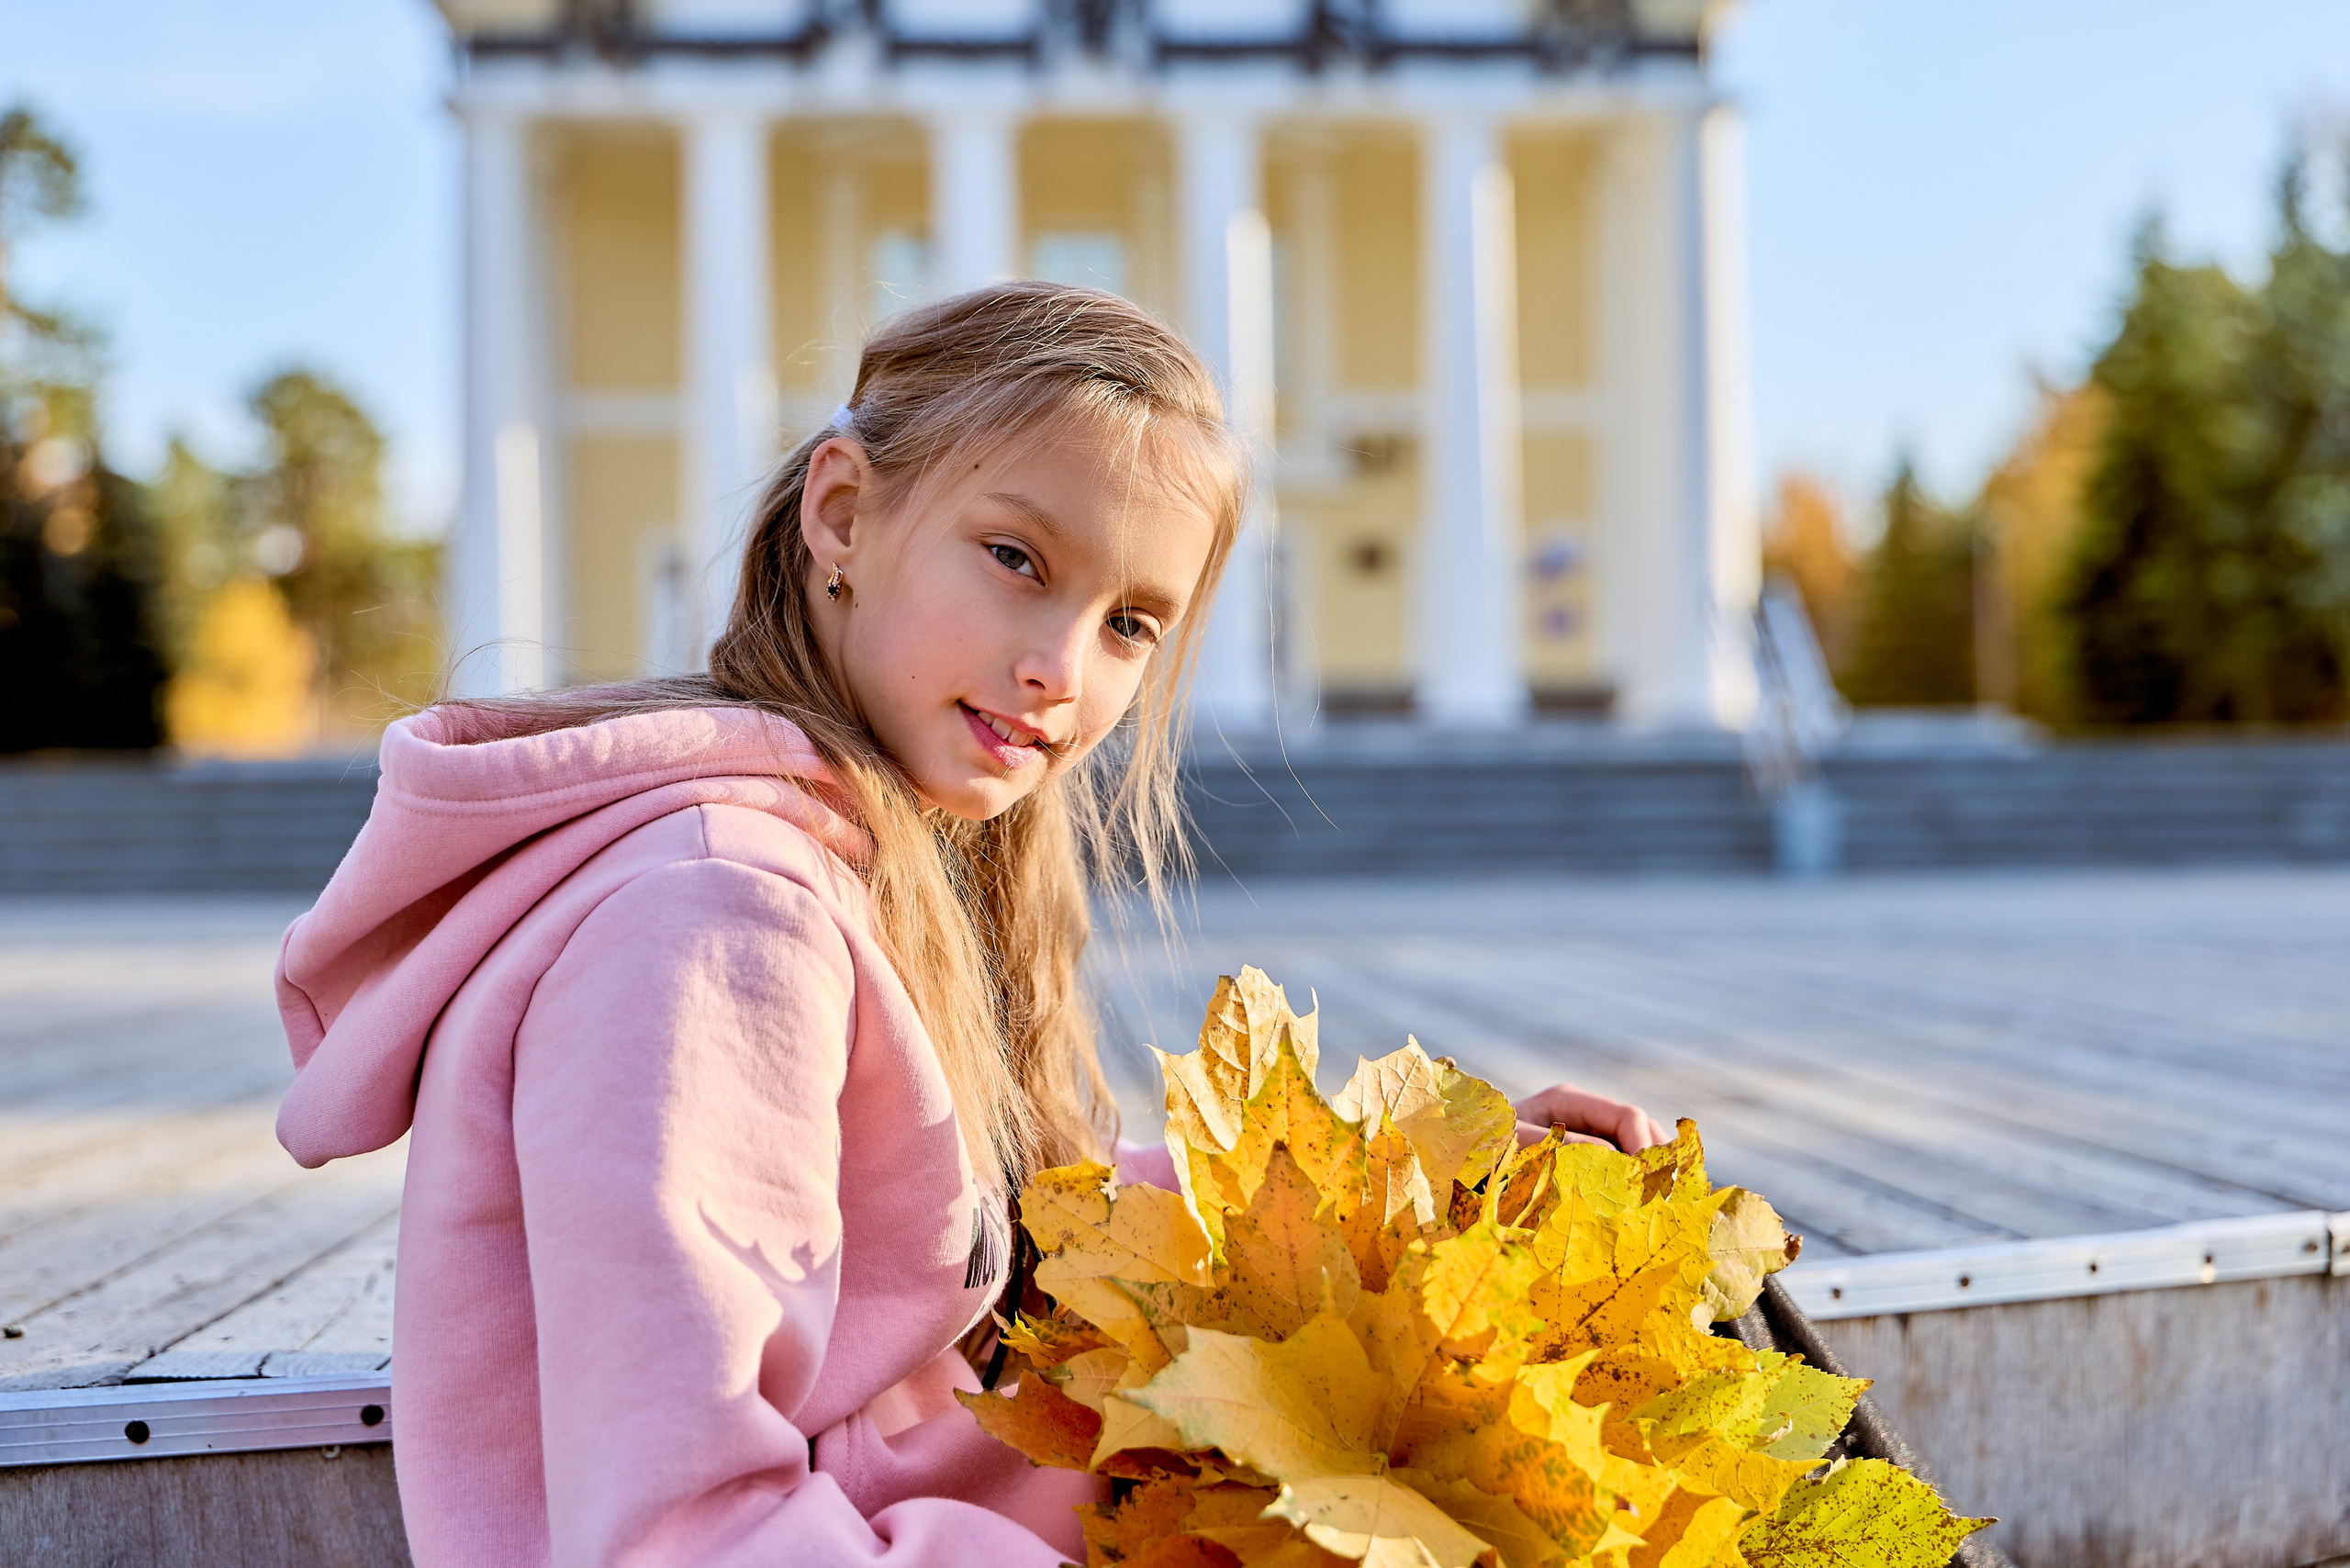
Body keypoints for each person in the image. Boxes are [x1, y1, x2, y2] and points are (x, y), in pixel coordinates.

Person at [273, 282, 1664, 1568]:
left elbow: (1032, 1212)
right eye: (1015, 557)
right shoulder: (711, 925)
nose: (1061, 665)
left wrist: (1413, 1199)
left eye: (1130, 625)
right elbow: (685, 1530)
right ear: (842, 517)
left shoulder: (876, 866)